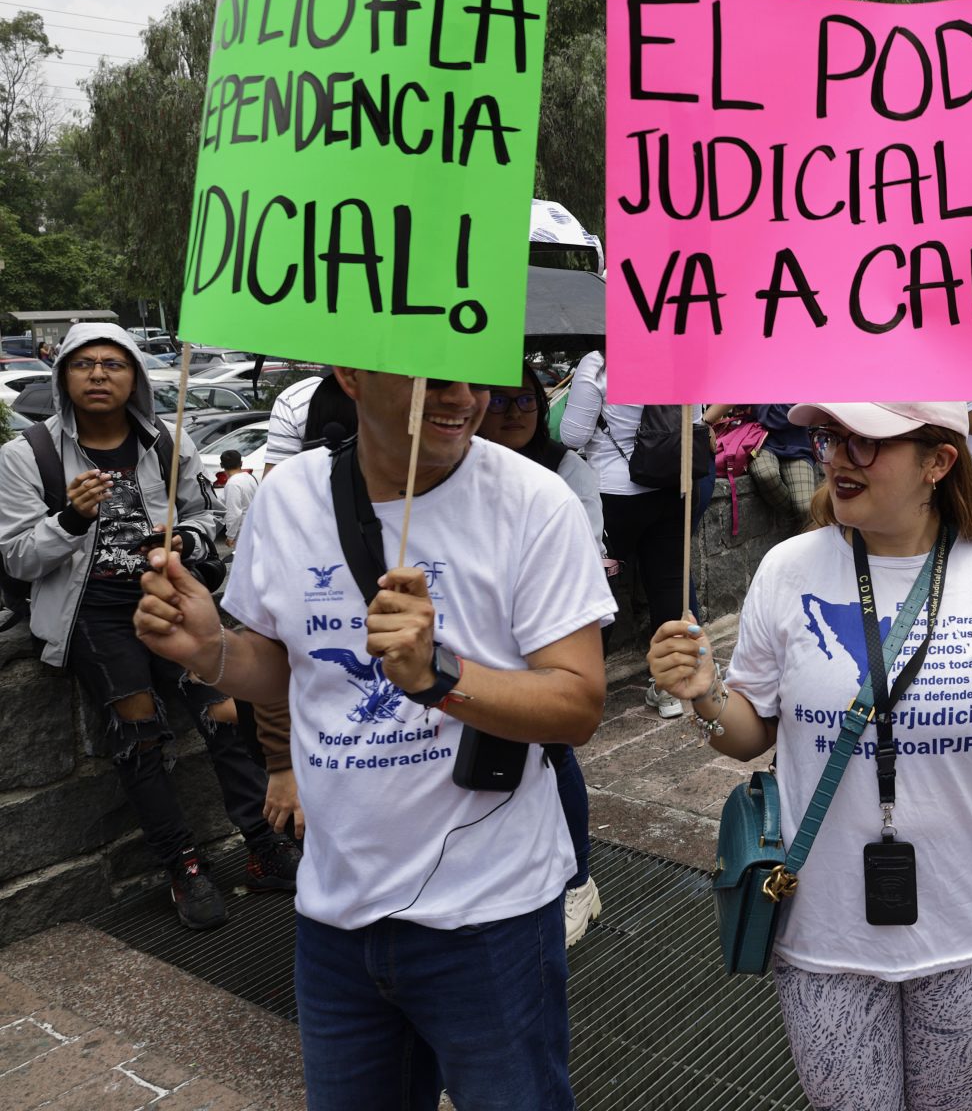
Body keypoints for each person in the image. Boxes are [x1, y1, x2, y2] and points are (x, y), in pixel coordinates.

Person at [135, 367, 616, 1110]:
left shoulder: (533, 502)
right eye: (436, 380)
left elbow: (578, 702)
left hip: (490, 913)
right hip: (335, 912)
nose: (465, 399)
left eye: (479, 377)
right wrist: (212, 653)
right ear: (353, 374)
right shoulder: (288, 496)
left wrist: (437, 674)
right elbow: (286, 668)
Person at [647, 400, 972, 1111]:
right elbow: (748, 736)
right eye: (832, 437)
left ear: (939, 461)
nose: (837, 457)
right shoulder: (788, 569)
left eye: (867, 442)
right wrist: (705, 695)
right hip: (823, 927)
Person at [0, 323, 297, 929]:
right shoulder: (25, 455)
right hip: (93, 615)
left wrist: (187, 538)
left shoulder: (166, 440)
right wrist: (71, 517)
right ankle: (182, 866)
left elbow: (202, 513)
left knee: (223, 716)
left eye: (115, 363)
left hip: (167, 598)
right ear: (63, 377)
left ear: (135, 374)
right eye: (85, 364)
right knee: (137, 735)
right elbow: (19, 557)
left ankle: (263, 848)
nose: (100, 374)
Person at [477, 361, 610, 948]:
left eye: (524, 403)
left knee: (554, 752)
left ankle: (577, 880)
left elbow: (578, 551)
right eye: (499, 402)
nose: (511, 415)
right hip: (484, 641)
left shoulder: (566, 470)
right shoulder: (462, 470)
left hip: (549, 635)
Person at [558, 347, 691, 719]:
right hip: (668, 487)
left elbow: (572, 434)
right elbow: (692, 420)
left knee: (600, 588)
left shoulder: (599, 363)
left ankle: (585, 689)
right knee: (669, 587)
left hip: (612, 493)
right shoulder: (676, 358)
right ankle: (669, 688)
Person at [219, 449, 258, 551]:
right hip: (255, 528)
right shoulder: (250, 478)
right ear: (241, 463)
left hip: (243, 532)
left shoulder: (233, 484)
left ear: (221, 465)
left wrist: (230, 535)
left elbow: (234, 512)